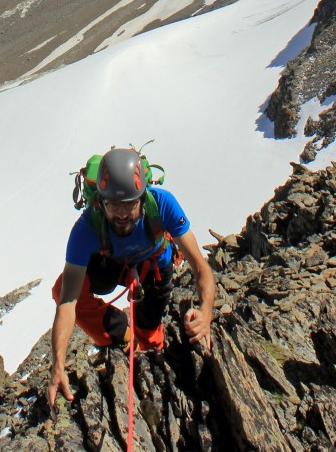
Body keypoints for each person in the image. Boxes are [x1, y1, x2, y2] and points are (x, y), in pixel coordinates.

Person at [47, 147, 215, 410]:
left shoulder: (162, 204)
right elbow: (67, 301)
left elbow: (200, 266)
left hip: (154, 270)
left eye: (129, 203)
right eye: (113, 204)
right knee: (62, 289)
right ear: (100, 201)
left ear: (142, 196)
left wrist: (206, 312)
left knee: (150, 343)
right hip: (115, 267)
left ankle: (144, 349)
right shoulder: (87, 227)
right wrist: (58, 364)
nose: (121, 213)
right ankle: (123, 335)